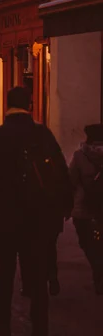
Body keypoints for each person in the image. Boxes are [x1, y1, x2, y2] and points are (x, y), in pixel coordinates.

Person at [0, 87, 73, 336]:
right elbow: (60, 170)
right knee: (38, 269)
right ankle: (40, 323)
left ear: (7, 106)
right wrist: (65, 204)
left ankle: (3, 319)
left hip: (9, 214)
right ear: (29, 105)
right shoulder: (42, 134)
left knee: (7, 269)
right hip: (39, 214)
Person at [69, 123, 103, 295]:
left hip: (84, 210)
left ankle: (98, 272)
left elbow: (70, 181)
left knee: (88, 243)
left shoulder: (80, 155)